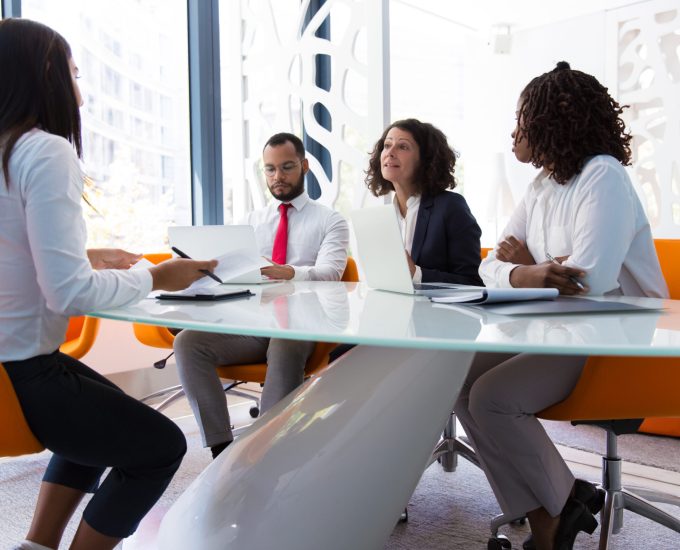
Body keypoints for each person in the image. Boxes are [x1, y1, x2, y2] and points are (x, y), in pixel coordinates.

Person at [0, 19, 219, 550]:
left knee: (103, 411)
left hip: (9, 365)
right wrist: (154, 275)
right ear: (47, 74)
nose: (79, 90)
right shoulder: (44, 150)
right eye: (74, 73)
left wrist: (89, 255)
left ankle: (37, 545)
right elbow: (69, 295)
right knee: (160, 447)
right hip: (28, 367)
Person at [454, 62, 668, 550]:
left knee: (493, 397)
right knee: (459, 381)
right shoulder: (542, 187)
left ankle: (561, 507)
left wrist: (529, 265)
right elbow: (488, 267)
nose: (513, 134)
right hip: (564, 329)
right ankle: (551, 510)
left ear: (551, 119)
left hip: (624, 341)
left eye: (521, 120)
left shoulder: (604, 177)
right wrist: (532, 270)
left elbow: (589, 280)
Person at [173, 132, 349, 459]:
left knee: (283, 341)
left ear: (305, 166)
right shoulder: (251, 222)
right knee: (187, 342)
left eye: (286, 167)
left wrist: (291, 272)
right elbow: (233, 275)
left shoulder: (330, 220)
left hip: (303, 324)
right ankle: (221, 448)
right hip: (254, 324)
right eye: (270, 169)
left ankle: (265, 453)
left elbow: (332, 273)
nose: (277, 177)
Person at [365, 118, 483, 286]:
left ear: (425, 159)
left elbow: (472, 283)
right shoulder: (383, 217)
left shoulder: (451, 207)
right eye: (387, 145)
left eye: (403, 146)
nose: (390, 152)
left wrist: (416, 274)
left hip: (439, 312)